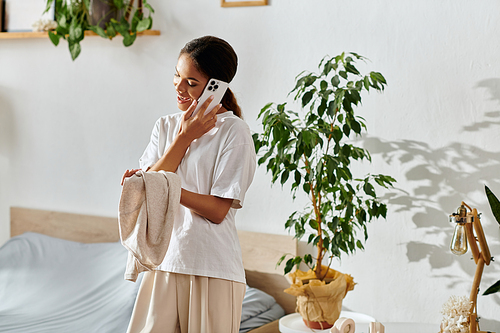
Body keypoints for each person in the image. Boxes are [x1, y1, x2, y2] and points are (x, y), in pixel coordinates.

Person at [121, 36, 256, 333]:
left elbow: (218, 210)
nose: (179, 88)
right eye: (177, 76)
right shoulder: (166, 126)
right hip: (164, 261)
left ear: (215, 86)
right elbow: (145, 192)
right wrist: (184, 138)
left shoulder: (235, 133)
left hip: (212, 267)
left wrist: (166, 188)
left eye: (191, 82)